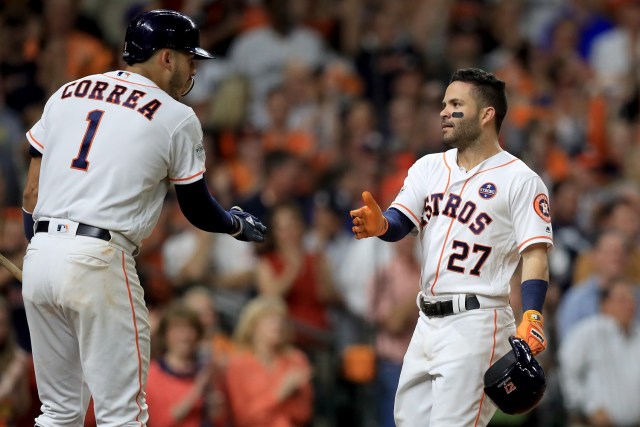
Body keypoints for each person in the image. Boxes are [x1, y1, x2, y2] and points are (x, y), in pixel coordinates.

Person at [20, 9, 266, 427]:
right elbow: (196, 207)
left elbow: (31, 192)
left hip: (41, 256)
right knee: (123, 416)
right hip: (99, 259)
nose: (193, 68)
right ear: (166, 57)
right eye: (189, 57)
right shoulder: (175, 115)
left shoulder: (66, 93)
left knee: (58, 413)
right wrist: (234, 223)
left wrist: (40, 250)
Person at [349, 68, 553, 426]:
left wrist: (533, 315)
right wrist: (381, 225)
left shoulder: (520, 179)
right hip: (425, 320)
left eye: (456, 104)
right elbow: (400, 221)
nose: (444, 111)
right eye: (443, 104)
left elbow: (535, 253)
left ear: (487, 114)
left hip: (478, 320)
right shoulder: (428, 167)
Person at [558, 279, 640, 427]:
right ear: (604, 304)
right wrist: (588, 408)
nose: (629, 305)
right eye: (622, 300)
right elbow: (567, 370)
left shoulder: (638, 334)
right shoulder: (587, 331)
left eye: (632, 299)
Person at [224, 296, 313, 427]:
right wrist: (280, 394)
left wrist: (266, 408)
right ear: (252, 326)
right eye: (269, 319)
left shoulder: (296, 359)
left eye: (280, 320)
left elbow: (303, 414)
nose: (277, 324)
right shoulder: (239, 364)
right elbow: (244, 418)